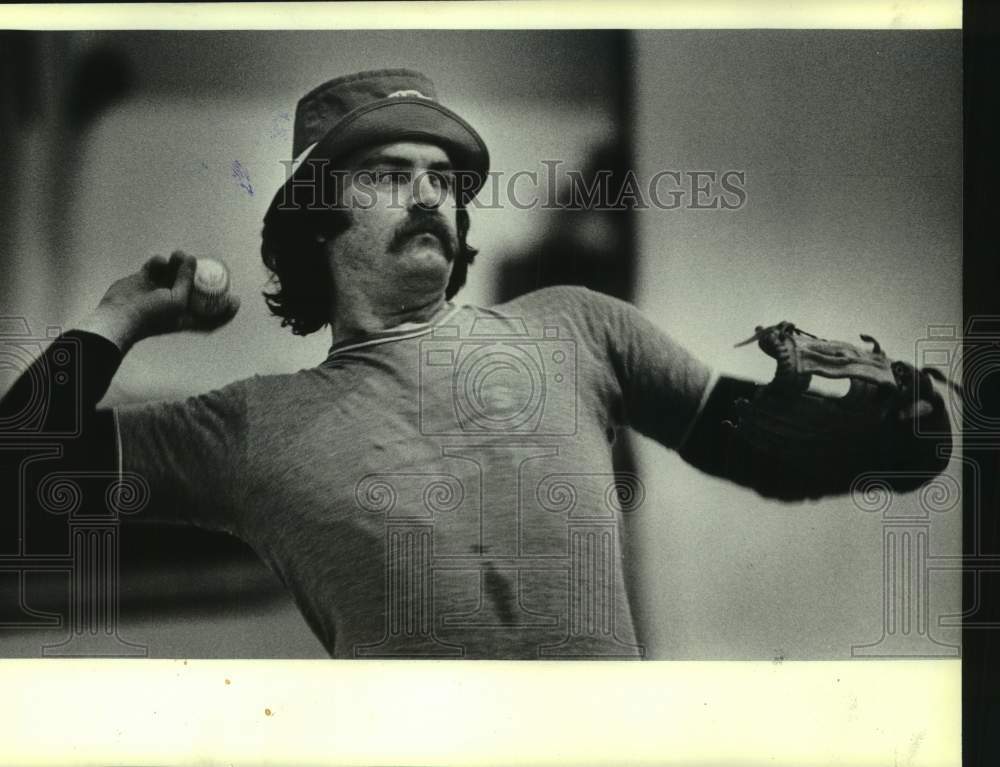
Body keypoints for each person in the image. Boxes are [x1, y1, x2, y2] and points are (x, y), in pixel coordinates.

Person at [0, 69, 952, 659]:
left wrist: (873, 439)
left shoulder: (579, 328)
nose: (428, 193)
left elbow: (752, 441)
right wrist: (122, 313)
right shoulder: (245, 426)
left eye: (446, 180)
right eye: (385, 172)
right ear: (315, 220)